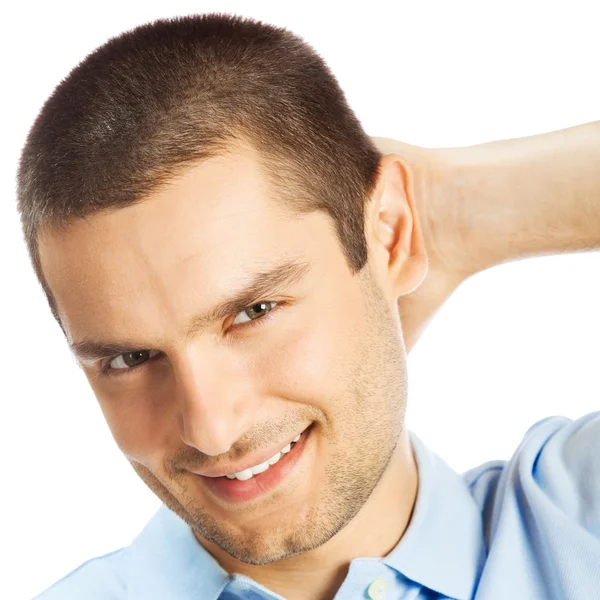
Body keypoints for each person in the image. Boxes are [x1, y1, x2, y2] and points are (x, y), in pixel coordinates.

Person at [18, 13, 599, 600]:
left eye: (254, 311)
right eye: (131, 357)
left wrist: (454, 213)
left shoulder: (577, 520)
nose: (213, 430)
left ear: (391, 234)